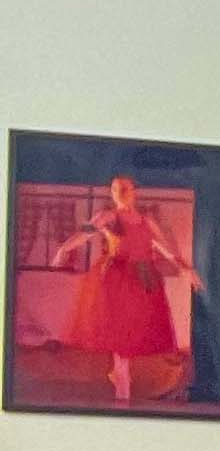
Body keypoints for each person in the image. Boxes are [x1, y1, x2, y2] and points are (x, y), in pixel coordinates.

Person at [51, 173, 197, 404]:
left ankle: (120, 374)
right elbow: (85, 232)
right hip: (117, 277)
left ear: (134, 192)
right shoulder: (107, 216)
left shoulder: (147, 221)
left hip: (143, 277)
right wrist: (64, 249)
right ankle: (122, 380)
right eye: (115, 189)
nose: (119, 193)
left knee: (134, 330)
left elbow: (167, 249)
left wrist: (186, 269)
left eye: (124, 188)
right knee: (120, 331)